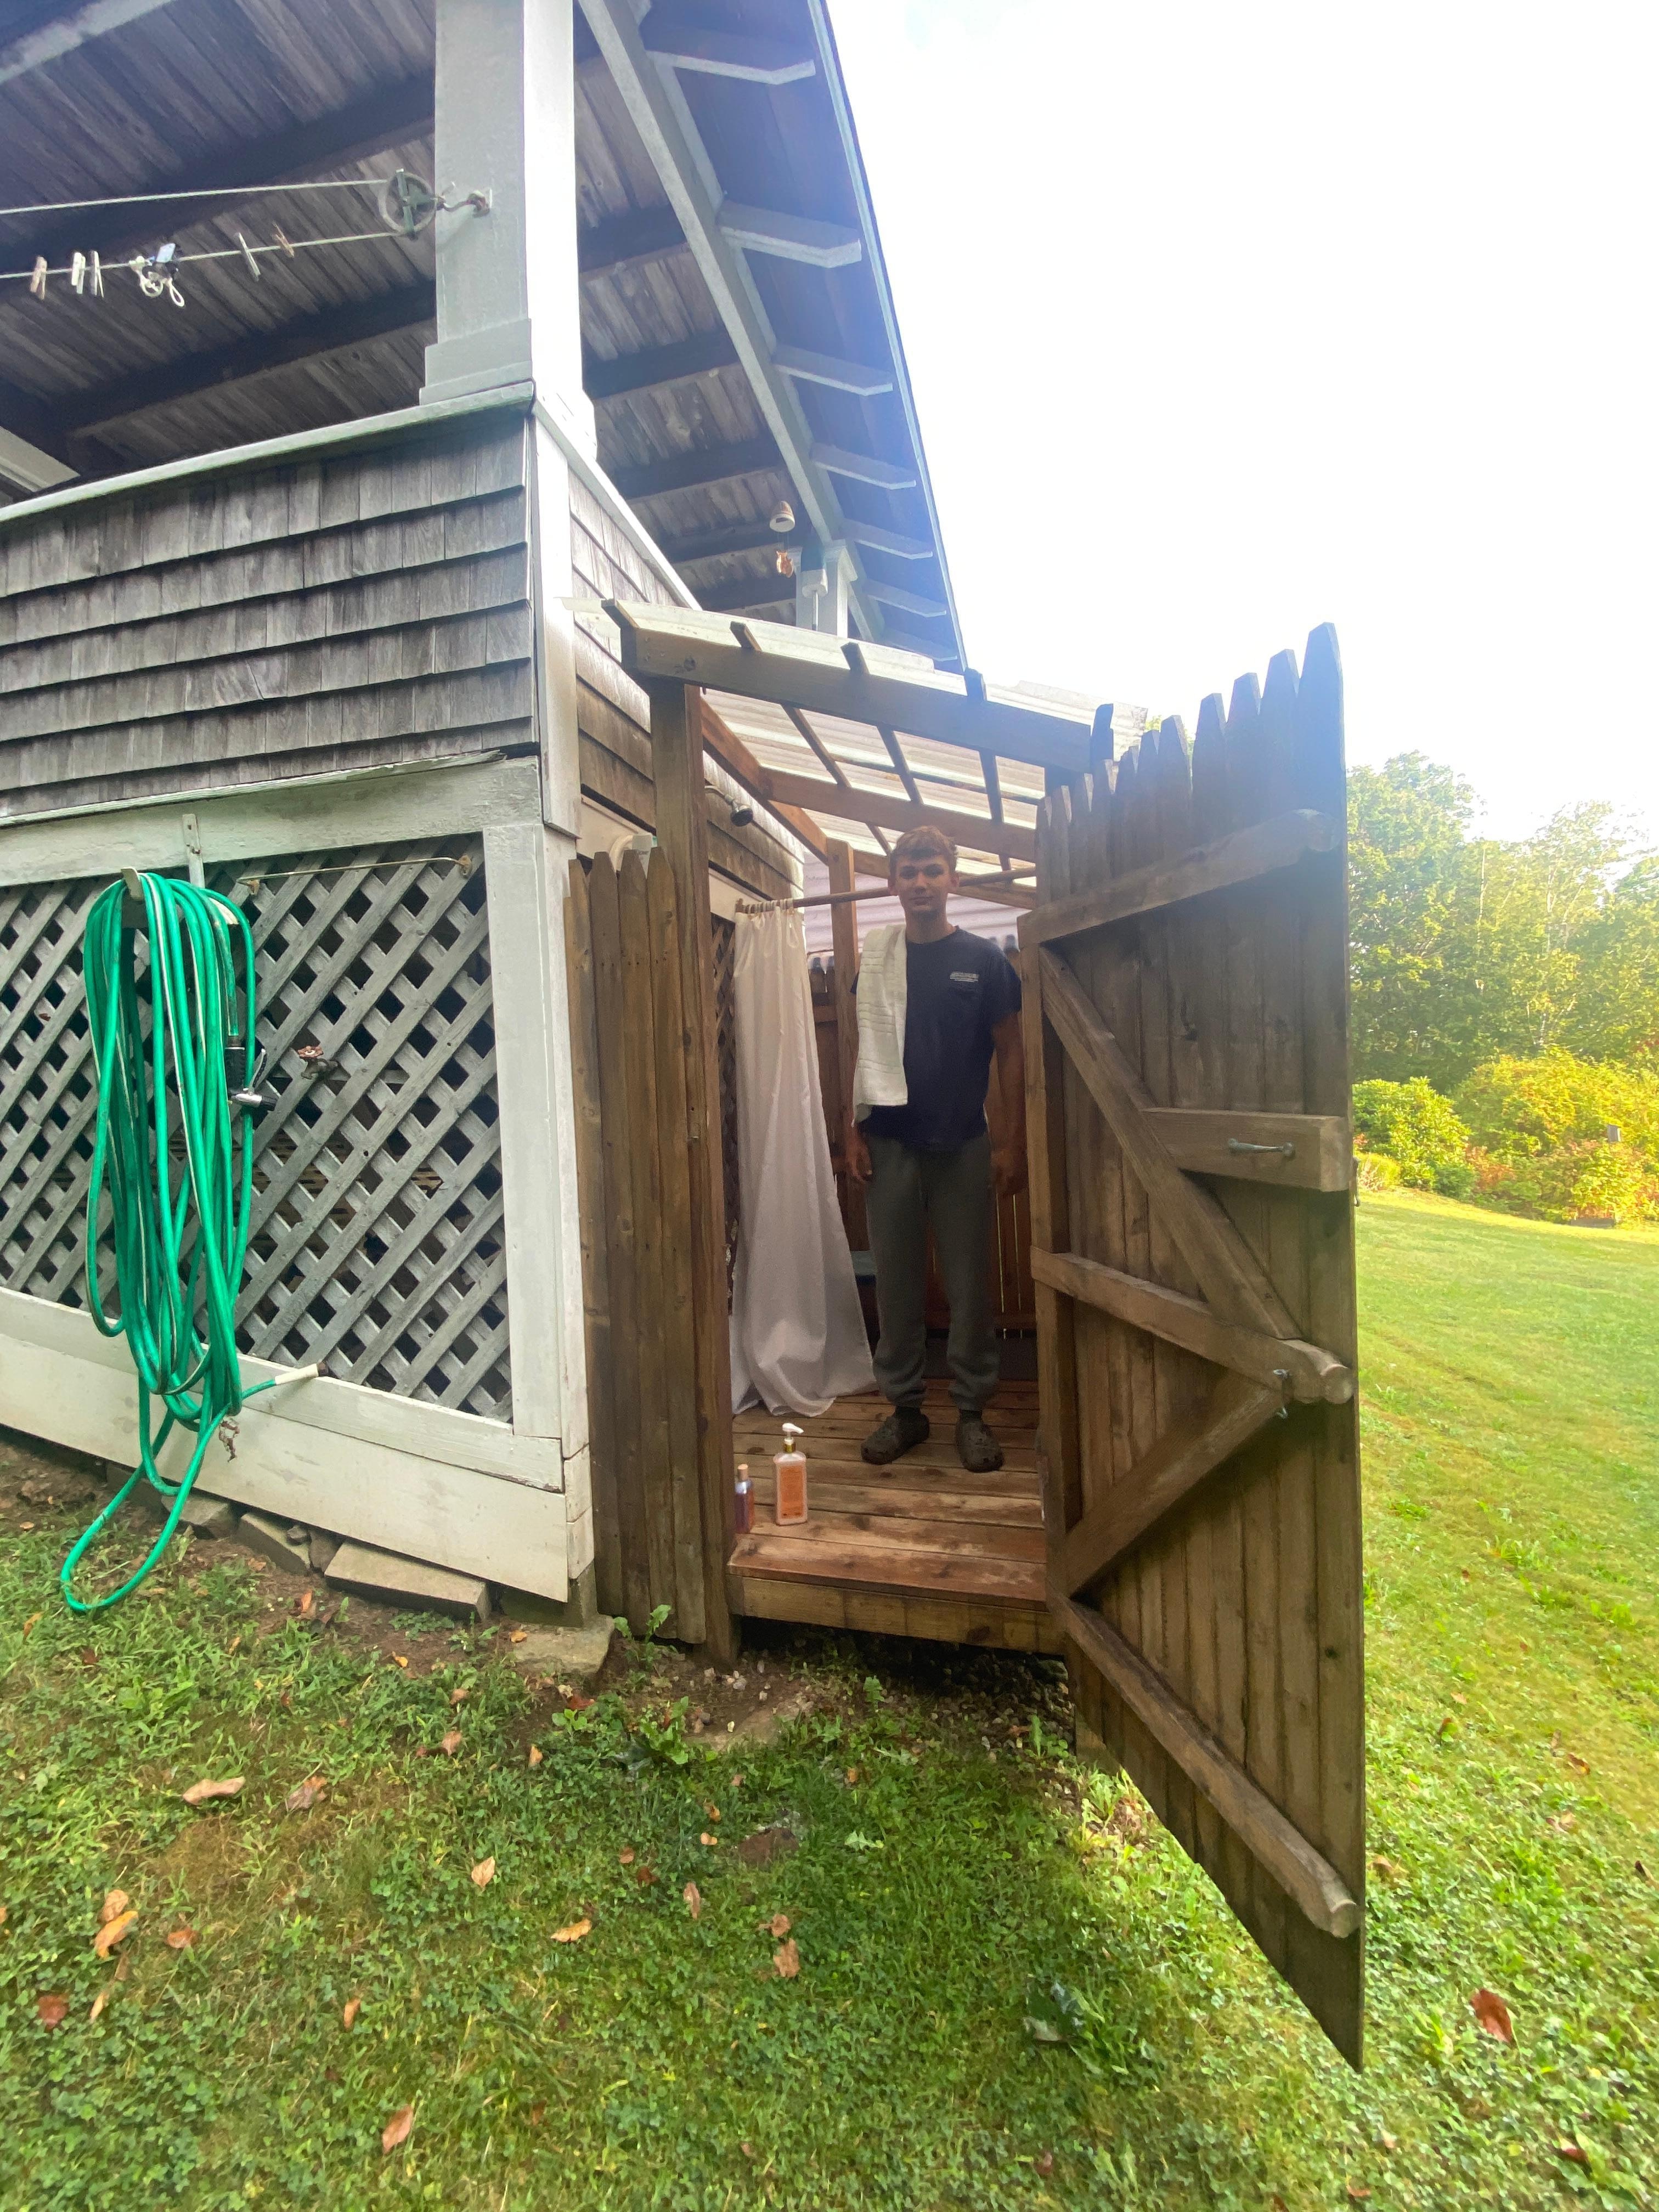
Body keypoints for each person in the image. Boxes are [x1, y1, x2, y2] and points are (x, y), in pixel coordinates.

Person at [845, 825, 1026, 1471]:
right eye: (908, 872)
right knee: (896, 1282)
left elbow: (1011, 1053)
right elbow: (865, 1053)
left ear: (953, 879)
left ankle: (973, 1412)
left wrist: (1011, 1143)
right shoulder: (879, 959)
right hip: (890, 1143)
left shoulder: (984, 962)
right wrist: (853, 1127)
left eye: (932, 870)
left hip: (964, 1144)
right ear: (894, 883)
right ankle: (906, 1411)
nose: (919, 883)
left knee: (969, 1281)